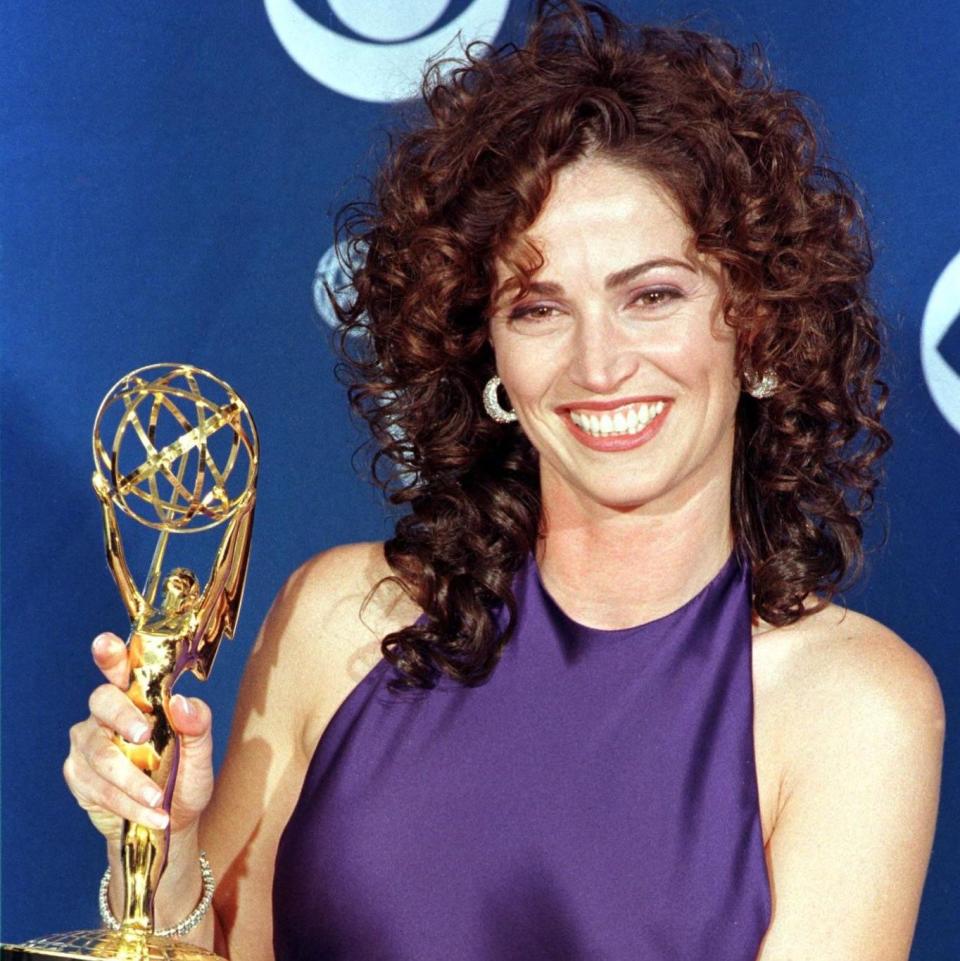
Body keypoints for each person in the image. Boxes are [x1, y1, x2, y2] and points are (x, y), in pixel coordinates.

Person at [63, 3, 944, 959]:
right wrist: (162, 838)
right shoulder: (343, 620)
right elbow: (207, 950)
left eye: (652, 296)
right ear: (486, 353)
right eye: (539, 308)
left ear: (759, 325)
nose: (599, 365)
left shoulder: (853, 704)